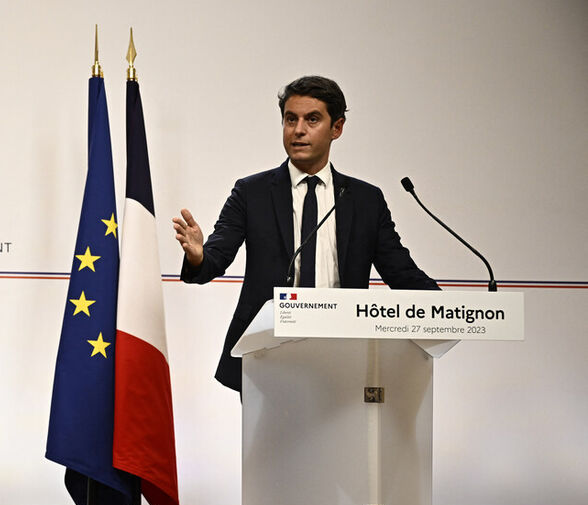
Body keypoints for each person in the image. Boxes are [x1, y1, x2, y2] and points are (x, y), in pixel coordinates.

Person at [174, 76, 438, 392]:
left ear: (336, 128)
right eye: (290, 119)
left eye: (312, 119)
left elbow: (402, 273)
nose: (298, 130)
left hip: (345, 356)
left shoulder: (365, 200)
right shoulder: (252, 192)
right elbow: (214, 259)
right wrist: (198, 256)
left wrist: (453, 310)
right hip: (267, 355)